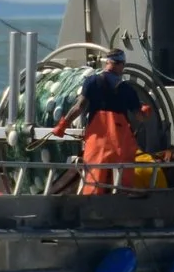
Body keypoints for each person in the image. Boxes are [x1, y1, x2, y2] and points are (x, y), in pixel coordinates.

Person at [55, 47, 151, 197]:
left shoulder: (92, 82)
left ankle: (92, 201)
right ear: (120, 64)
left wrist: (63, 124)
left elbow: (79, 106)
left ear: (107, 62)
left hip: (97, 139)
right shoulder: (126, 89)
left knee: (94, 175)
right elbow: (139, 116)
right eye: (122, 64)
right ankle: (123, 196)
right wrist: (145, 112)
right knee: (123, 173)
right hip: (120, 140)